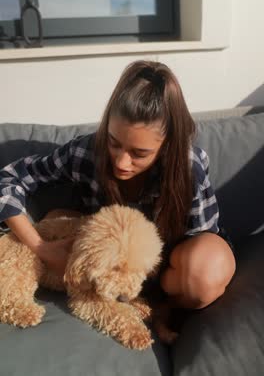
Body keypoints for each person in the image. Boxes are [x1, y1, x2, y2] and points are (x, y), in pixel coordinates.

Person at [0, 60, 236, 310]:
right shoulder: (86, 152)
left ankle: (162, 309)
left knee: (204, 272)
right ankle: (136, 301)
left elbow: (201, 235)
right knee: (58, 218)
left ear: (167, 145)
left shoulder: (188, 167)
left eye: (139, 153)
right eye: (114, 143)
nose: (122, 162)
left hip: (171, 269)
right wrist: (41, 247)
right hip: (111, 265)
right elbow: (8, 179)